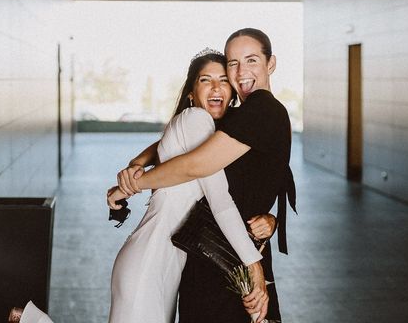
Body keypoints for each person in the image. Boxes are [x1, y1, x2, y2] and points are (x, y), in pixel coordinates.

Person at [116, 28, 296, 323]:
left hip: (230, 258)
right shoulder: (239, 115)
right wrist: (140, 159)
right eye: (233, 63)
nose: (240, 72)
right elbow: (196, 139)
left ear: (270, 64)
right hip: (214, 255)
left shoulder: (263, 108)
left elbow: (196, 164)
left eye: (251, 60)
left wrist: (133, 184)